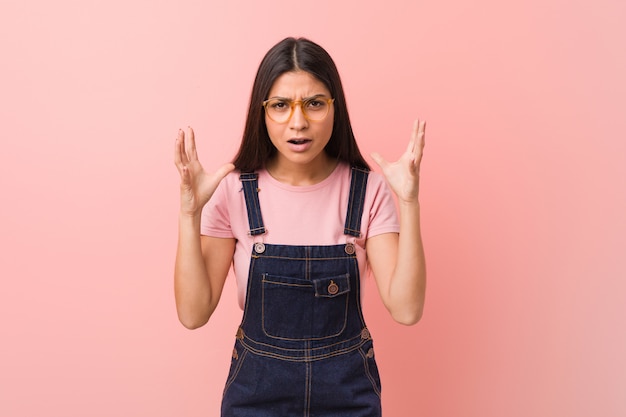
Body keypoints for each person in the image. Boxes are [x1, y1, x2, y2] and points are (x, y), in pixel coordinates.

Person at [173, 37, 426, 417]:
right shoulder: (233, 192)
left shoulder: (368, 190)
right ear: (262, 112)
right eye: (280, 105)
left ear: (334, 107)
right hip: (255, 398)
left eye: (314, 103)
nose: (298, 121)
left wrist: (409, 202)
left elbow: (406, 310)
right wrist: (190, 214)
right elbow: (193, 314)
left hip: (347, 397)